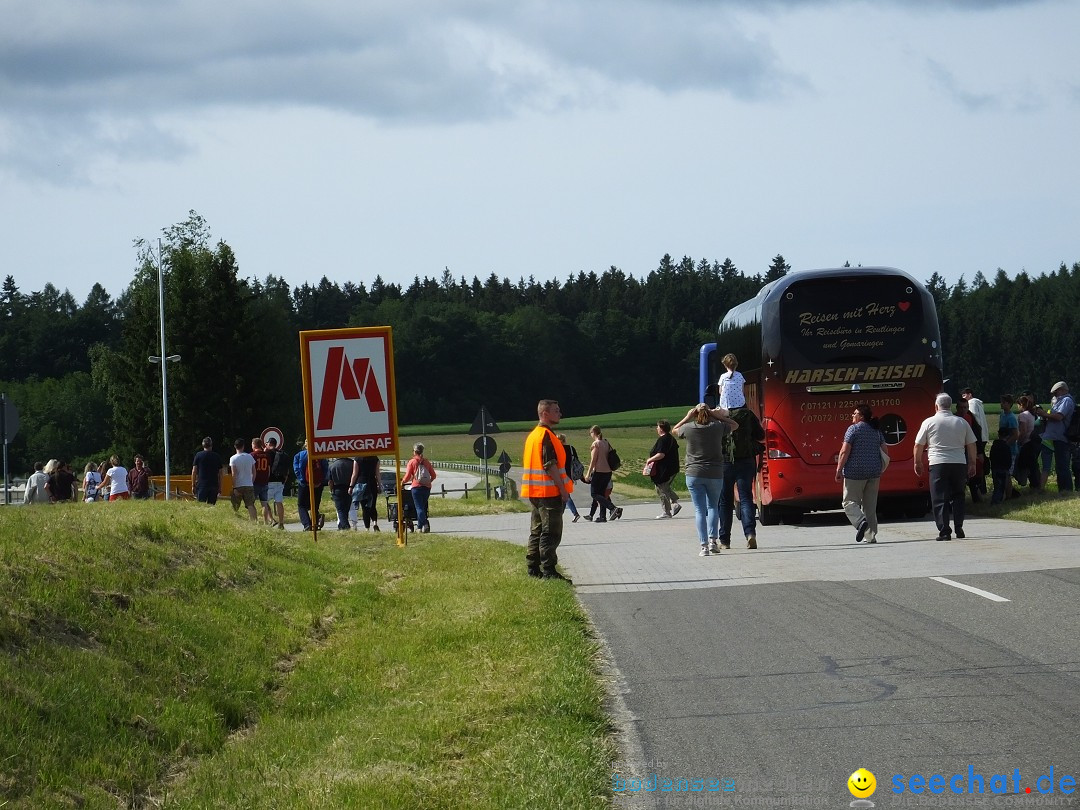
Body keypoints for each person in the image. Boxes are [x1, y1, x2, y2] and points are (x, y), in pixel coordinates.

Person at [521, 399, 574, 579]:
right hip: (549, 493)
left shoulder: (533, 435)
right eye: (556, 410)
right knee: (550, 532)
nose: (560, 413)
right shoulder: (545, 436)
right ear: (545, 414)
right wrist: (563, 490)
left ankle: (533, 568)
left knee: (536, 531)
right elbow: (550, 465)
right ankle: (549, 570)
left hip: (535, 493)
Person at [674, 404, 736, 556]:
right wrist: (717, 415)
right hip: (715, 472)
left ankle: (703, 546)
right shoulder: (717, 427)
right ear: (709, 413)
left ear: (695, 414)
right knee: (713, 507)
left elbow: (674, 429)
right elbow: (735, 425)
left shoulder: (689, 428)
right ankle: (713, 541)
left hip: (694, 473)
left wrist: (688, 417)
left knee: (699, 510)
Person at [913, 393, 977, 541]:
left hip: (938, 463)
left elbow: (918, 445)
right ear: (950, 406)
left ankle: (944, 530)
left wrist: (918, 462)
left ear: (936, 406)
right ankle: (959, 527)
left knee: (939, 497)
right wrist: (972, 463)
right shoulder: (961, 422)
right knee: (959, 495)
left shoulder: (929, 422)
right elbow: (971, 444)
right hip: (959, 463)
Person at [835, 404, 887, 543]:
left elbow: (844, 451)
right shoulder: (876, 431)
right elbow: (885, 451)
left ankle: (860, 522)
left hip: (854, 472)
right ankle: (870, 536)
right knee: (870, 506)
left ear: (861, 416)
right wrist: (880, 467)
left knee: (848, 502)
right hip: (874, 472)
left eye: (855, 413)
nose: (852, 415)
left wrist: (839, 469)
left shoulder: (853, 429)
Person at [720, 404, 766, 550]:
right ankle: (750, 534)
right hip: (746, 460)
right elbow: (760, 435)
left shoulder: (718, 414)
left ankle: (725, 540)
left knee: (725, 501)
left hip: (725, 461)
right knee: (746, 497)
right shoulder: (748, 414)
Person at [1034, 381, 1075, 493]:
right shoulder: (1060, 401)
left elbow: (1059, 416)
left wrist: (1043, 414)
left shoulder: (1066, 400)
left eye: (1056, 393)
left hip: (1061, 437)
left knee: (1062, 466)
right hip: (1055, 437)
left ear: (1062, 390)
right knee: (1059, 466)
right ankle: (1062, 490)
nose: (1054, 395)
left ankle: (1066, 490)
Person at [583, 425, 621, 522]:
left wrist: (588, 474)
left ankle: (613, 508)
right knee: (602, 494)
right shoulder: (606, 442)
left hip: (599, 471)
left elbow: (593, 460)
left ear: (593, 433)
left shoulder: (596, 444)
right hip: (608, 471)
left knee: (594, 494)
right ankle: (602, 516)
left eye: (590, 433)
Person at [645, 420, 682, 519]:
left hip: (665, 469)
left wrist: (650, 460)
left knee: (661, 489)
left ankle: (668, 510)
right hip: (672, 468)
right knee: (663, 487)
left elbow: (661, 454)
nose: (656, 429)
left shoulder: (663, 440)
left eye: (657, 427)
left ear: (661, 428)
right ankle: (674, 503)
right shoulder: (671, 439)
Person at [401, 443, 436, 533]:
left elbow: (408, 476)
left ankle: (424, 524)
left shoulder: (412, 462)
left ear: (415, 451)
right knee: (423, 507)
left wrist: (402, 482)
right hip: (427, 488)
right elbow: (433, 475)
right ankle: (419, 528)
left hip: (416, 488)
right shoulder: (426, 462)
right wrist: (428, 482)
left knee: (419, 507)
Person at [954, 399, 985, 502]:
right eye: (961, 407)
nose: (963, 410)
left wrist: (979, 452)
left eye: (965, 407)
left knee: (972, 475)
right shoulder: (953, 419)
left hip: (968, 450)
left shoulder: (970, 418)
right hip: (957, 451)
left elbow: (977, 435)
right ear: (957, 408)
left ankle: (976, 497)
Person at [961, 387, 990, 496]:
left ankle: (979, 489)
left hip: (976, 438)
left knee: (975, 463)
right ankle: (981, 489)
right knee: (979, 463)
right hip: (983, 436)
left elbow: (972, 419)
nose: (963, 397)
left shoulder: (972, 403)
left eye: (964, 395)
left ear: (969, 394)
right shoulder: (979, 403)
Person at [294, 440, 328, 531]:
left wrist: (303, 480)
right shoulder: (320, 455)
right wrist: (320, 481)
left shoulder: (299, 455)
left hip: (304, 484)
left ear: (305, 445)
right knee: (315, 505)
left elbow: (296, 469)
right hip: (318, 484)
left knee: (301, 505)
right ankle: (315, 523)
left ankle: (307, 524)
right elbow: (325, 469)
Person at [229, 439, 258, 521]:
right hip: (248, 484)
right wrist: (251, 482)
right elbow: (254, 472)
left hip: (238, 485)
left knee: (235, 505)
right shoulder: (250, 457)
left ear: (235, 446)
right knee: (250, 505)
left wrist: (234, 487)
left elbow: (234, 474)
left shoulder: (233, 458)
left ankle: (234, 521)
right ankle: (254, 522)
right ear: (243, 446)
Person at [556, 434, 582, 523]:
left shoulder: (558, 450)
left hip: (561, 475)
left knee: (565, 495)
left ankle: (575, 514)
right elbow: (576, 461)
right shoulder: (571, 448)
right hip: (570, 475)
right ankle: (559, 516)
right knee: (564, 495)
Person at [352, 454, 381, 531]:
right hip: (372, 484)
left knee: (364, 508)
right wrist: (380, 485)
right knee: (372, 505)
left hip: (361, 484)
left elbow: (354, 474)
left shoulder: (357, 458)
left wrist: (351, 486)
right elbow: (377, 473)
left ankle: (367, 528)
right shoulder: (375, 458)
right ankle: (375, 523)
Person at [998, 394, 1019, 499]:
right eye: (1001, 402)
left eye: (1004, 402)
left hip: (1010, 450)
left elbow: (1015, 435)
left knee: (1007, 474)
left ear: (1009, 404)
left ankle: (1009, 495)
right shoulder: (1002, 415)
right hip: (1002, 447)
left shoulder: (1011, 418)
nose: (1002, 404)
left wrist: (1006, 444)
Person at [328, 456, 358, 530]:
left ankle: (345, 526)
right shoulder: (352, 463)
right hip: (349, 487)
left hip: (337, 488)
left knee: (340, 509)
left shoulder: (333, 465)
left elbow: (330, 481)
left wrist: (331, 490)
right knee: (346, 509)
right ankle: (342, 525)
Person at [264, 437, 288, 528]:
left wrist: (265, 450)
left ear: (269, 444)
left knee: (264, 502)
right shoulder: (282, 454)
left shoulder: (267, 453)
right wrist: (284, 480)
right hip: (280, 481)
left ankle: (270, 520)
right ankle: (281, 523)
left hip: (270, 481)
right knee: (279, 502)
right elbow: (287, 469)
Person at [191, 437, 223, 504]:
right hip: (213, 485)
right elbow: (220, 474)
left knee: (201, 506)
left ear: (203, 445)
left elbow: (194, 471)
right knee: (211, 506)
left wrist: (193, 485)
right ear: (211, 445)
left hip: (202, 485)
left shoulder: (198, 455)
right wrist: (220, 487)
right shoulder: (217, 456)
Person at [251, 438, 273, 524]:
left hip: (255, 481)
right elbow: (268, 469)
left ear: (254, 444)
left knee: (251, 503)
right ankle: (266, 522)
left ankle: (255, 521)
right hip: (264, 481)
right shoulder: (267, 455)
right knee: (264, 503)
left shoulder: (252, 455)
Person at [989, 428, 1012, 505]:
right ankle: (996, 501)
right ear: (1008, 436)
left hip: (995, 468)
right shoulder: (1006, 446)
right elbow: (1009, 459)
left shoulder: (994, 445)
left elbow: (991, 456)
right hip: (1003, 469)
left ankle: (996, 500)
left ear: (999, 435)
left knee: (996, 485)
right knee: (1001, 486)